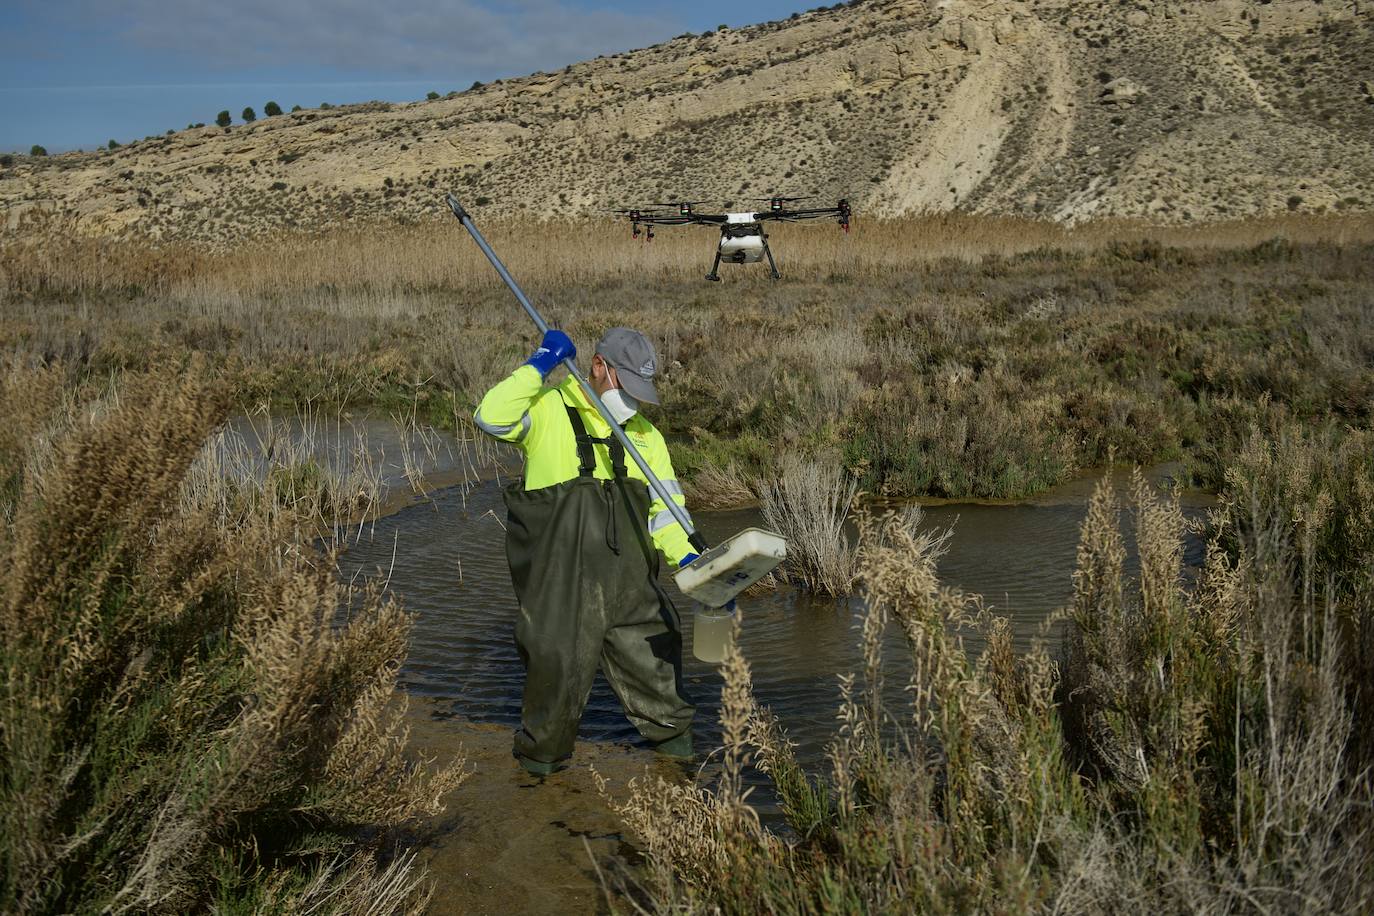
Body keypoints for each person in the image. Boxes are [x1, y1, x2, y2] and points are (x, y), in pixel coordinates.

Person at [474, 326, 697, 775]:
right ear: (598, 367)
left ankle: (685, 782)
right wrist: (538, 365)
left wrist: (692, 561)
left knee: (662, 681)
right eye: (626, 386)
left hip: (631, 589)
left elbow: (668, 513)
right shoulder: (547, 410)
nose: (633, 401)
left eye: (641, 391)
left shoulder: (646, 437)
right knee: (552, 698)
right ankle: (539, 802)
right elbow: (491, 417)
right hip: (559, 592)